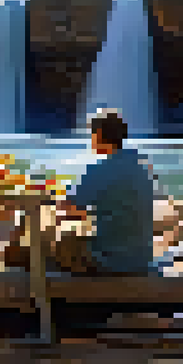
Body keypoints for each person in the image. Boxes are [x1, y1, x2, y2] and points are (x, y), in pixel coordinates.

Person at [54, 110, 156, 276]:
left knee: (62, 241)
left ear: (99, 134)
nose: (91, 140)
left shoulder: (101, 168)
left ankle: (81, 285)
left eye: (91, 134)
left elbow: (67, 207)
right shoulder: (140, 164)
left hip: (113, 258)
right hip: (142, 257)